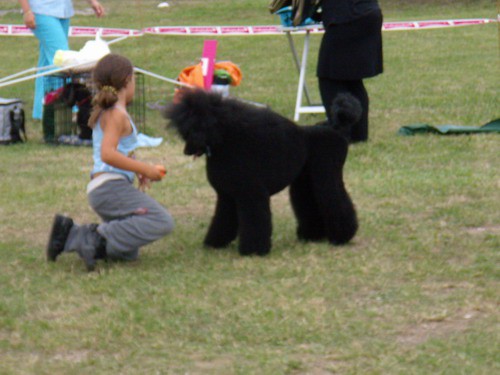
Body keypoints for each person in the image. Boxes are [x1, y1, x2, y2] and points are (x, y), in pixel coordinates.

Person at [46, 54, 174, 271]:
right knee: (162, 221)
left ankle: (68, 232)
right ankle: (83, 236)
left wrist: (137, 171)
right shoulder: (116, 114)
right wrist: (146, 169)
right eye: (133, 78)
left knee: (126, 252)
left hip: (107, 187)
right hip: (109, 188)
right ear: (127, 81)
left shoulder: (112, 111)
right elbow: (108, 154)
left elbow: (118, 152)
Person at [17, 0, 105, 120]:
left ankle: (41, 111)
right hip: (40, 10)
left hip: (63, 10)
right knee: (62, 61)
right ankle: (70, 107)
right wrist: (27, 11)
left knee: (47, 63)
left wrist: (92, 2)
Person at [317, 0, 383, 143]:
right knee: (352, 78)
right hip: (367, 13)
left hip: (348, 16)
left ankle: (340, 133)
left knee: (329, 75)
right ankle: (358, 134)